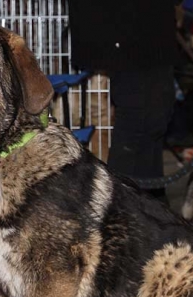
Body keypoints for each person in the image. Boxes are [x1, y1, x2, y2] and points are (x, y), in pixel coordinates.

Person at [68, 1, 178, 202]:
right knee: (138, 114)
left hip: (151, 26)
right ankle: (118, 211)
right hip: (125, 27)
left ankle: (150, 203)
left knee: (155, 115)